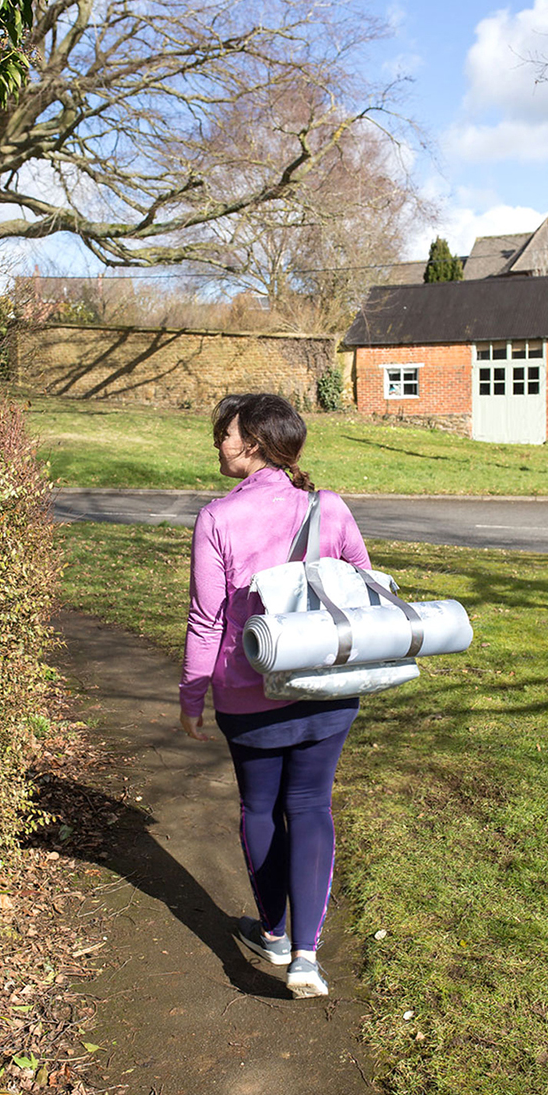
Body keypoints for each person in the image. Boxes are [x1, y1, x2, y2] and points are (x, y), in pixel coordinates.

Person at [179, 392, 371, 998]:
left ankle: (276, 934)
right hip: (328, 687)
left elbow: (207, 621)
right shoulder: (329, 507)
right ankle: (307, 959)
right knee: (312, 805)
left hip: (250, 689)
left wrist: (191, 697)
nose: (219, 442)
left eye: (226, 434)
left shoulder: (217, 519)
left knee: (261, 809)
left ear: (254, 444)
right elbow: (361, 588)